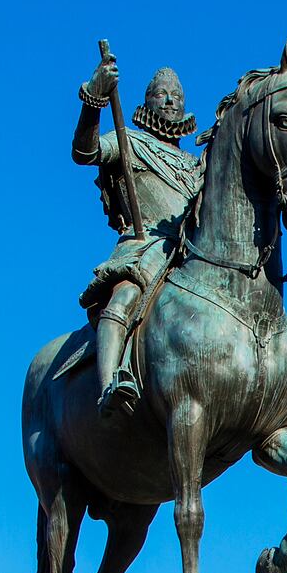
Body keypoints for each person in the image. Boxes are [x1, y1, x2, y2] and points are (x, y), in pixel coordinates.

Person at [69, 45, 203, 419]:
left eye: (177, 96)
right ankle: (111, 381)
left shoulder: (195, 166)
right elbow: (85, 152)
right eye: (162, 95)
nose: (171, 102)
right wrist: (94, 99)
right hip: (145, 248)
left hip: (190, 254)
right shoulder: (130, 141)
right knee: (126, 295)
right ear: (148, 101)